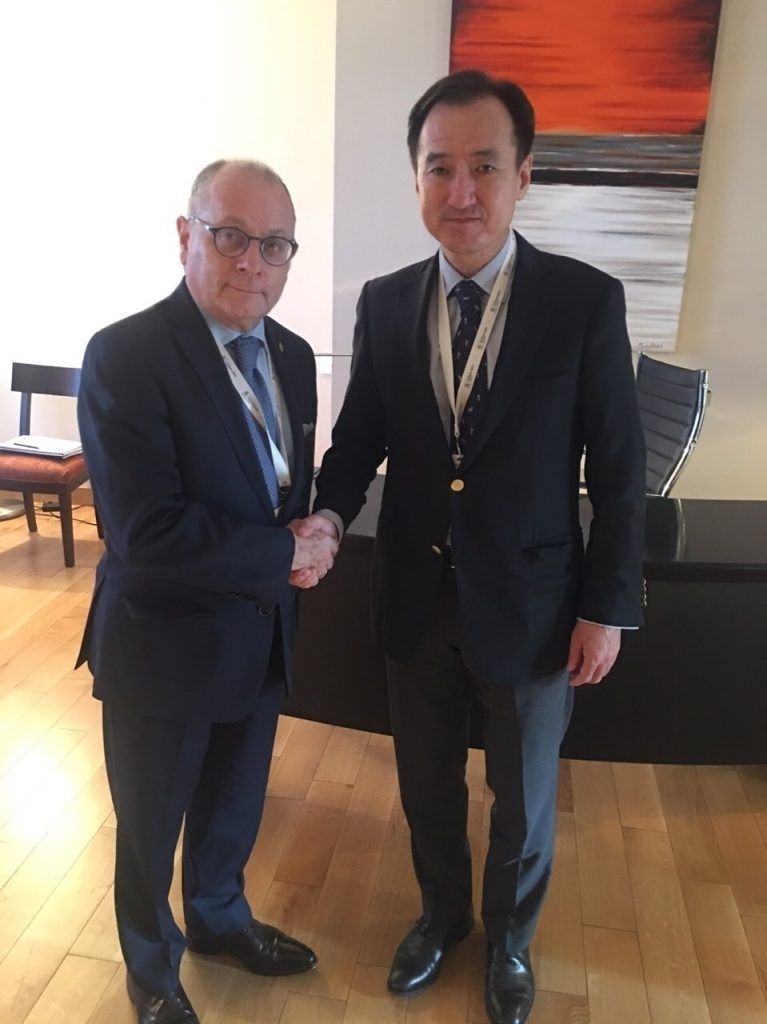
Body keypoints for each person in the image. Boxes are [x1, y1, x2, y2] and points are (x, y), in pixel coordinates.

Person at [296, 71, 646, 1024]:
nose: (461, 192)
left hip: (535, 606)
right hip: (414, 600)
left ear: (523, 175)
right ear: (414, 178)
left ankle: (511, 943)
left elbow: (619, 469)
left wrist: (607, 605)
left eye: (484, 167)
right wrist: (325, 517)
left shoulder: (583, 301)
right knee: (426, 785)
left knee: (524, 800)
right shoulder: (384, 302)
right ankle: (441, 915)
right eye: (439, 167)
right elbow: (357, 440)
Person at [77, 159, 337, 1024]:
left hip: (259, 635)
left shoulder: (290, 354)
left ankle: (221, 920)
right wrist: (282, 553)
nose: (252, 261)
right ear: (187, 235)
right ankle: (152, 970)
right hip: (163, 644)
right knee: (151, 826)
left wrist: (314, 534)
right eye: (230, 236)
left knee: (233, 804)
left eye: (274, 244)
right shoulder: (126, 355)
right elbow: (143, 529)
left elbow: (283, 488)